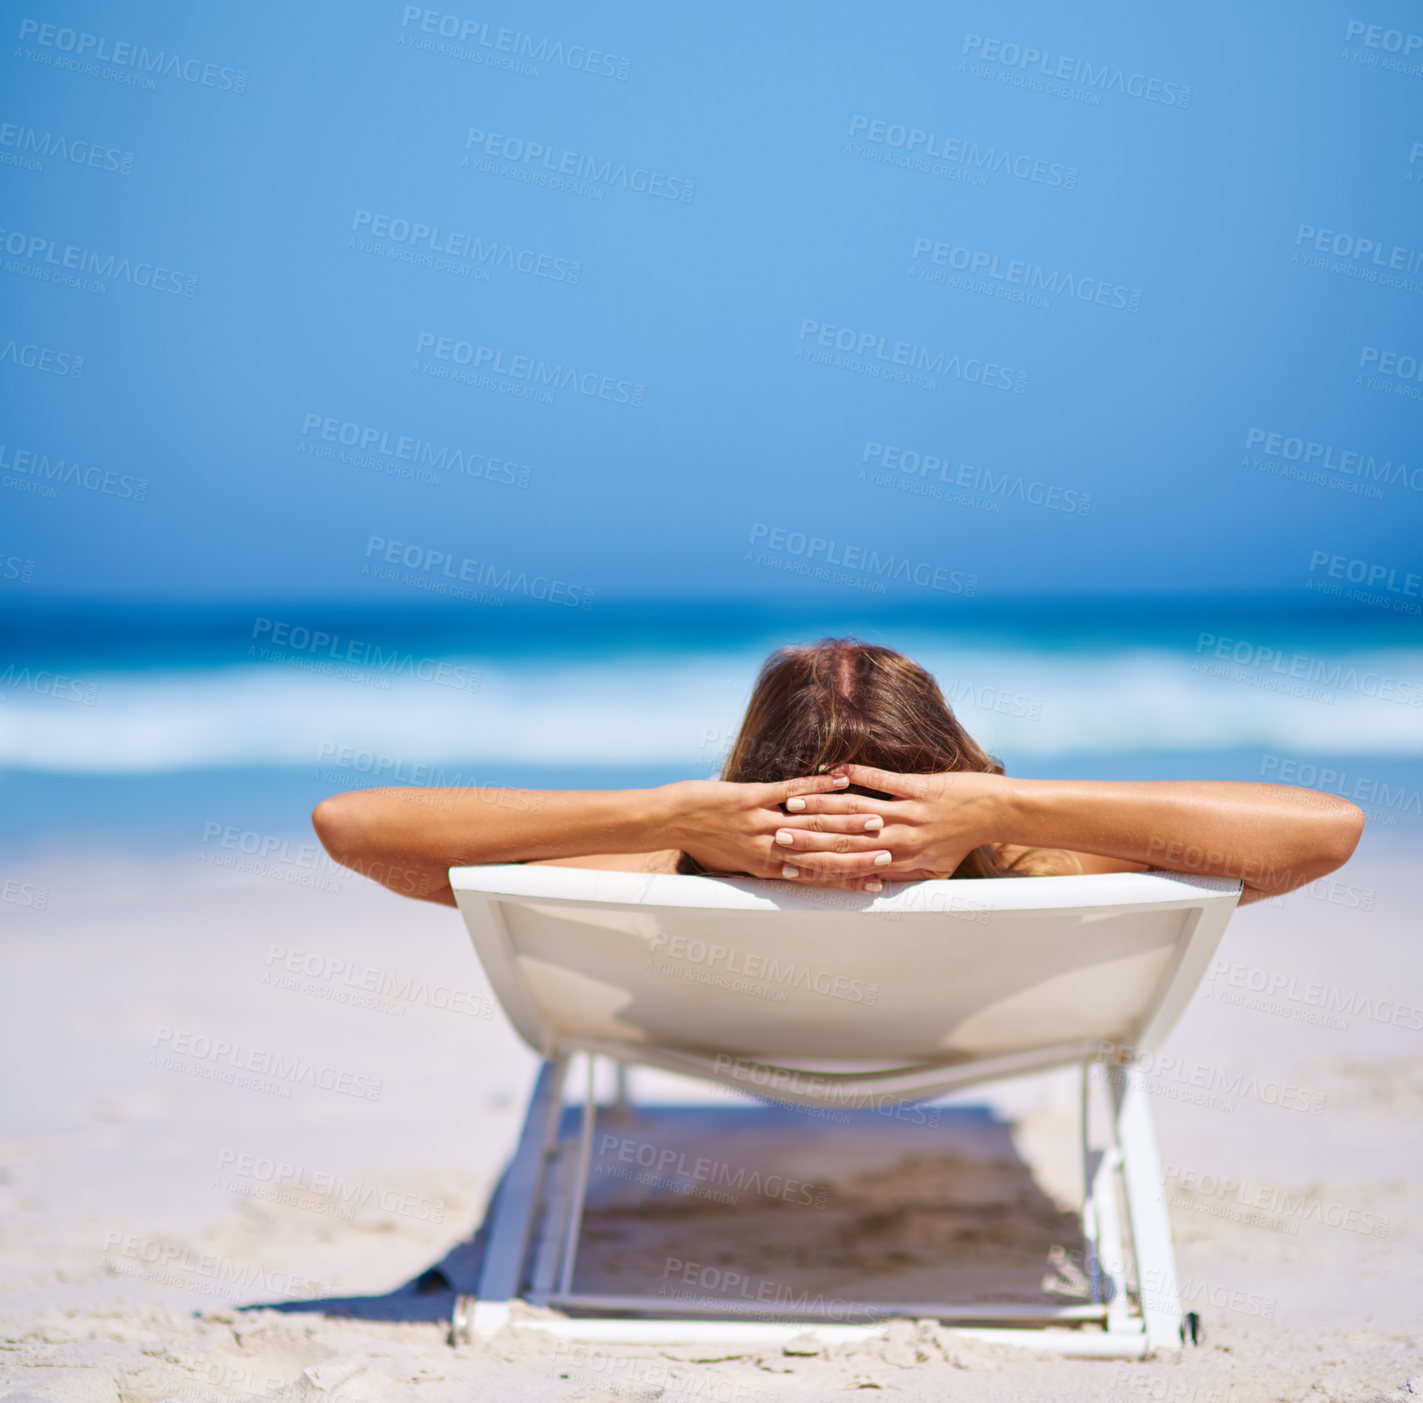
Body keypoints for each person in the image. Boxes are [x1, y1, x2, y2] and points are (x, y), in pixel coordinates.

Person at [311, 638, 1365, 908]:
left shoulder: (661, 864)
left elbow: (355, 825)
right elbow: (1322, 830)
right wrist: (1005, 809)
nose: (857, 849)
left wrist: (672, 814)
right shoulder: (1030, 868)